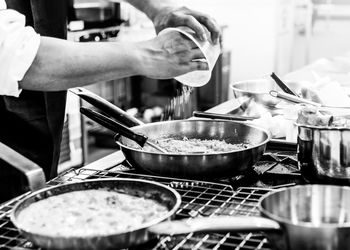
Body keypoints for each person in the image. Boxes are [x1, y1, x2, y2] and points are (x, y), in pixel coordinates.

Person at [0, 0, 221, 202]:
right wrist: (148, 55)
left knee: (33, 204)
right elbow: (15, 56)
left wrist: (157, 8)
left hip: (43, 113)